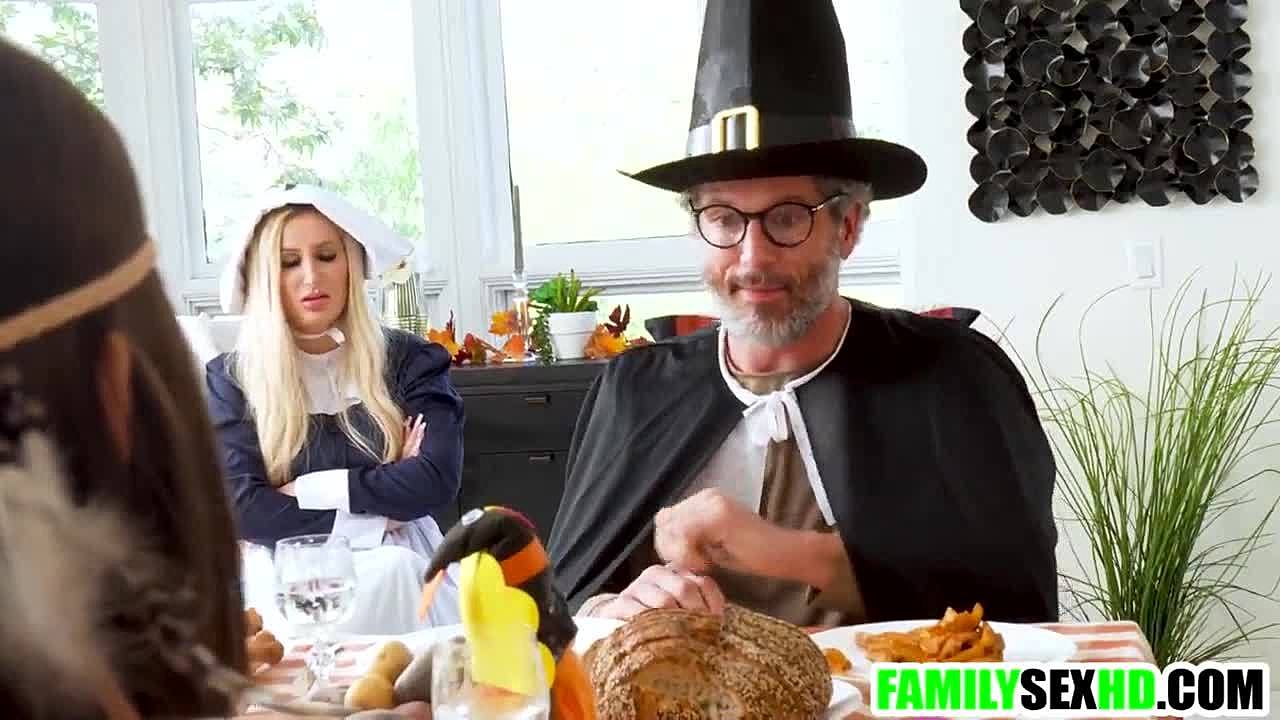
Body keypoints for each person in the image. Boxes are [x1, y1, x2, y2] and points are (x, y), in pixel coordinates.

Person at [548, 0, 1058, 627]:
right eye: (723, 219)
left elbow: (1017, 607)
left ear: (848, 226)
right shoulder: (633, 391)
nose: (752, 258)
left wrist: (787, 553)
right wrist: (613, 609)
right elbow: (562, 604)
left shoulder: (953, 376)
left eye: (788, 217)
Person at [206, 183, 465, 633]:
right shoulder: (232, 379)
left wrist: (305, 488)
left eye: (327, 256)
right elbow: (244, 508)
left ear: (351, 265)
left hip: (404, 561)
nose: (311, 277)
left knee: (394, 573)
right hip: (287, 574)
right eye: (289, 262)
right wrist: (376, 515)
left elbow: (433, 480)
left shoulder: (410, 362)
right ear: (266, 277)